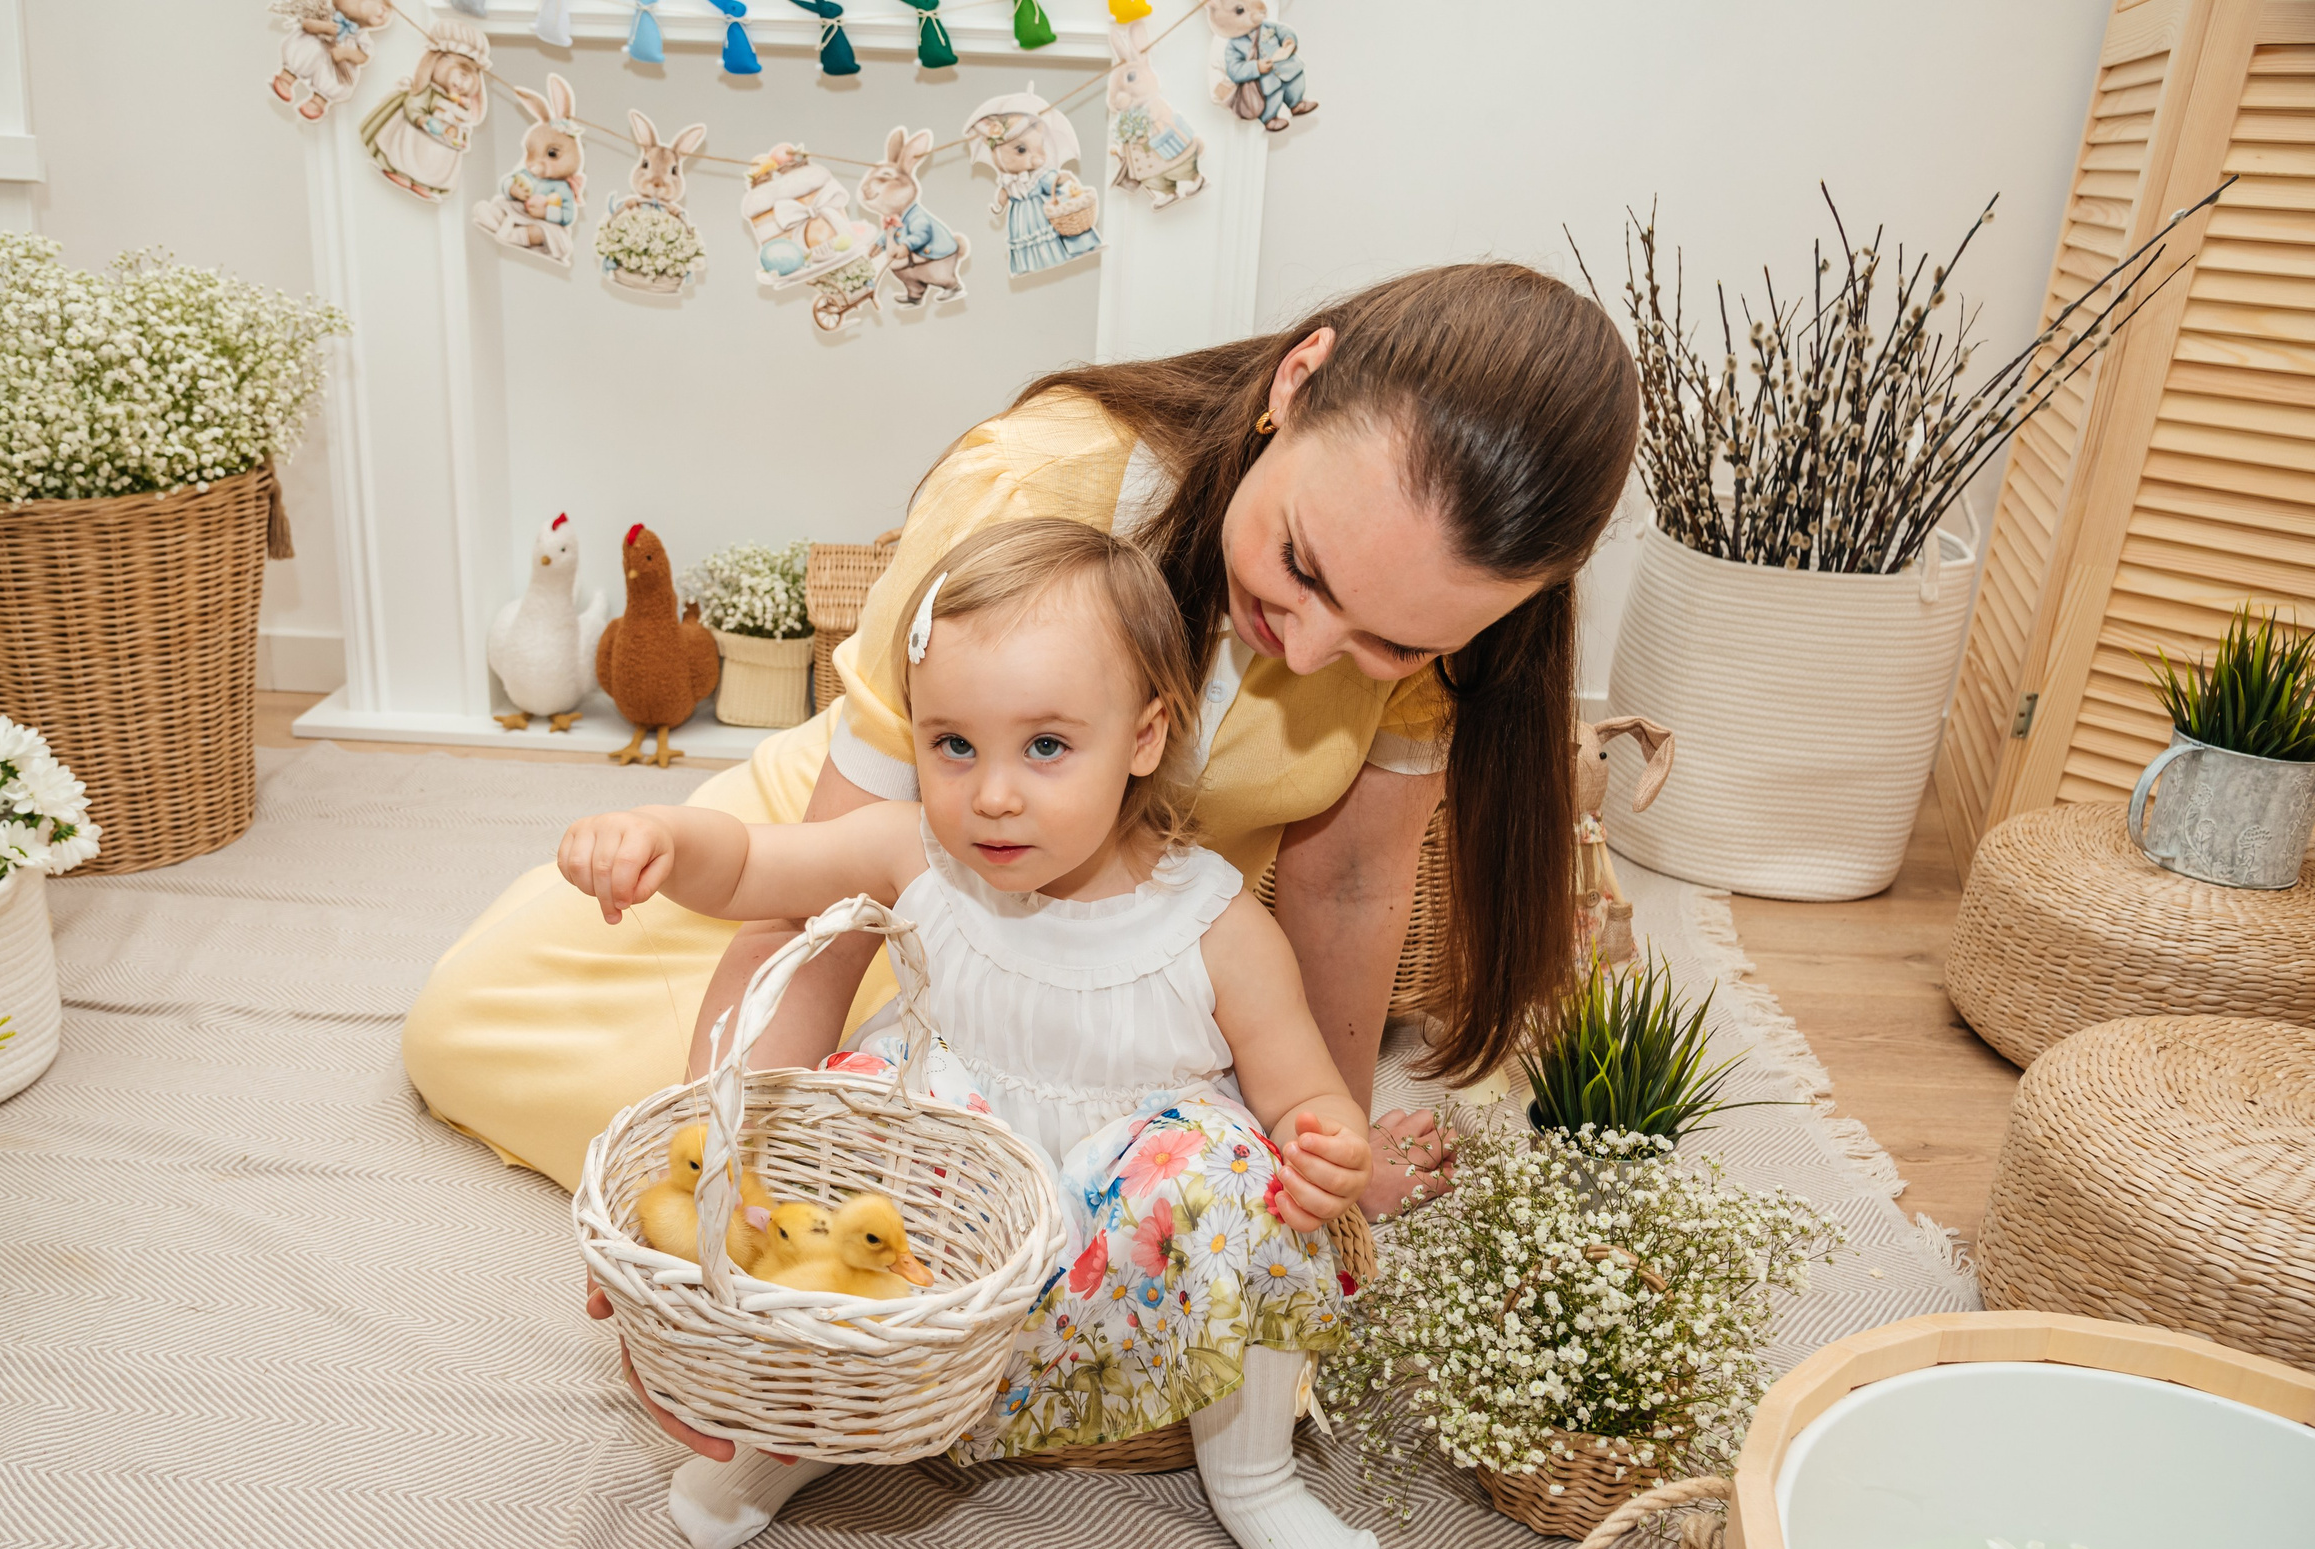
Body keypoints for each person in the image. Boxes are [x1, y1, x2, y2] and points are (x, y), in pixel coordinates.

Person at [403, 263, 1641, 1223]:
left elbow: (1351, 882)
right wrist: (717, 1185)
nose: (1314, 650)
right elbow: (818, 903)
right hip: (908, 851)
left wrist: (1318, 1148)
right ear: (1295, 384)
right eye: (1300, 569)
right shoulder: (1041, 481)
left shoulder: (1440, 620)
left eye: (1387, 645)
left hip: (1136, 931)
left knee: (1098, 1186)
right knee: (496, 1035)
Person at [563, 521, 1384, 1549]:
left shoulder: (1215, 925)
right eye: (954, 744)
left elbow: (1301, 1092)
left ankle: (1250, 1476)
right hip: (933, 1235)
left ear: (1144, 737)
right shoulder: (918, 855)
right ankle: (800, 1428)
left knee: (1248, 1183)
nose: (991, 794)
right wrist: (660, 834)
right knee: (833, 1127)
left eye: (1045, 746)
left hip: (1112, 1240)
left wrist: (1326, 1138)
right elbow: (757, 863)